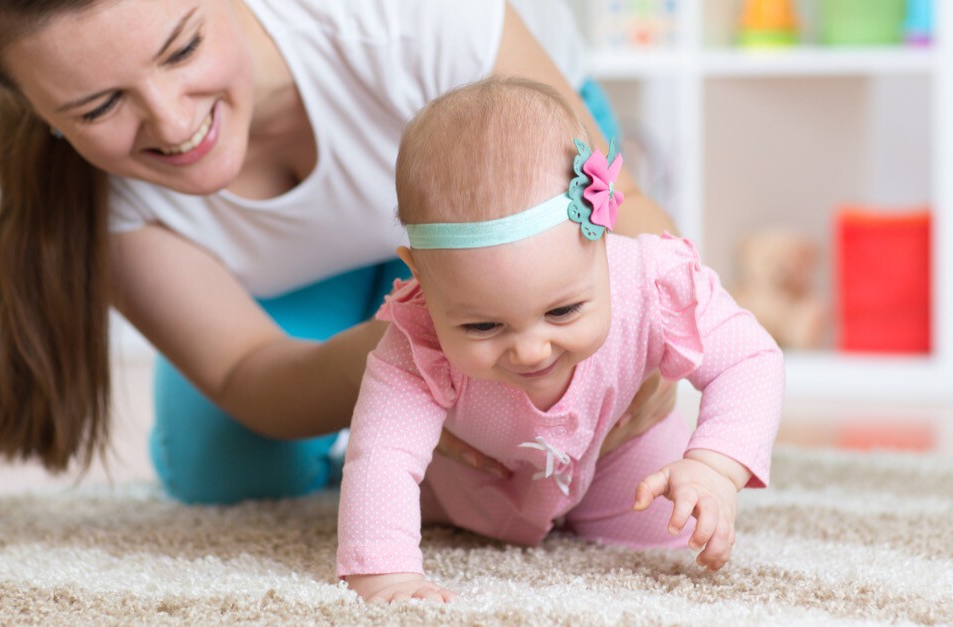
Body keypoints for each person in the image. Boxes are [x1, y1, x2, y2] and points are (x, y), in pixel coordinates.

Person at [0, 0, 680, 506]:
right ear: (38, 111)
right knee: (228, 472)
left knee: (585, 448)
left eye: (184, 48)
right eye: (98, 107)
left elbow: (633, 212)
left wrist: (639, 341)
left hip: (500, 219)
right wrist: (405, 371)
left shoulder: (403, 21)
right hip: (311, 285)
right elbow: (245, 369)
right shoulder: (90, 195)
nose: (173, 120)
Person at [336, 77, 785, 603]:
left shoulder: (652, 281)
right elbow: (383, 451)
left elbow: (750, 359)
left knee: (680, 536)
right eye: (483, 326)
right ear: (421, 277)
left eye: (563, 310)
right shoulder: (419, 339)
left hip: (623, 454)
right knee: (395, 503)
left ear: (602, 241)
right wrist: (387, 575)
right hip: (475, 483)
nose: (531, 350)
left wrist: (713, 468)